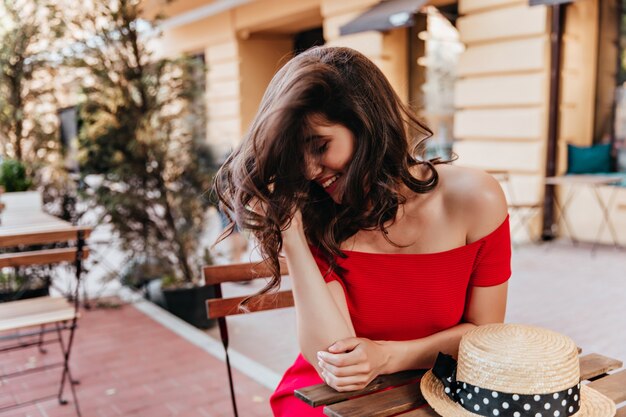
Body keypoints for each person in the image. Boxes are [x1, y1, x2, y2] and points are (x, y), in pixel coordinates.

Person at [214, 46, 510, 416]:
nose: (308, 171)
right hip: (333, 401)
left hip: (440, 392)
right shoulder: (317, 215)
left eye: (320, 146)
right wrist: (290, 234)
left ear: (366, 123)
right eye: (296, 156)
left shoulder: (475, 199)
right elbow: (336, 360)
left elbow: (486, 334)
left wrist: (387, 356)